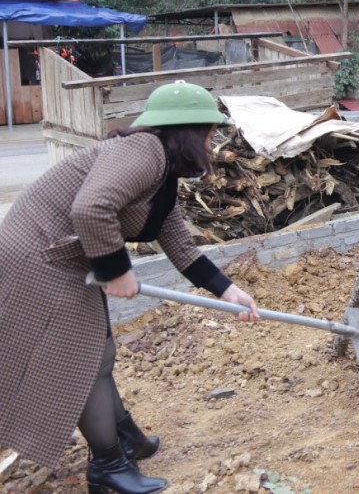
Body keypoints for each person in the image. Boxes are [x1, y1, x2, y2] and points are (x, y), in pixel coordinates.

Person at [0, 81, 260, 494]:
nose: (212, 143)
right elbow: (90, 207)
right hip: (39, 256)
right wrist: (117, 270)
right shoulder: (143, 152)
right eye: (210, 133)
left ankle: (123, 437)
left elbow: (177, 241)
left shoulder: (162, 172)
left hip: (60, 253)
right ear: (188, 131)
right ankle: (107, 466)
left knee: (99, 350)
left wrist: (227, 291)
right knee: (80, 359)